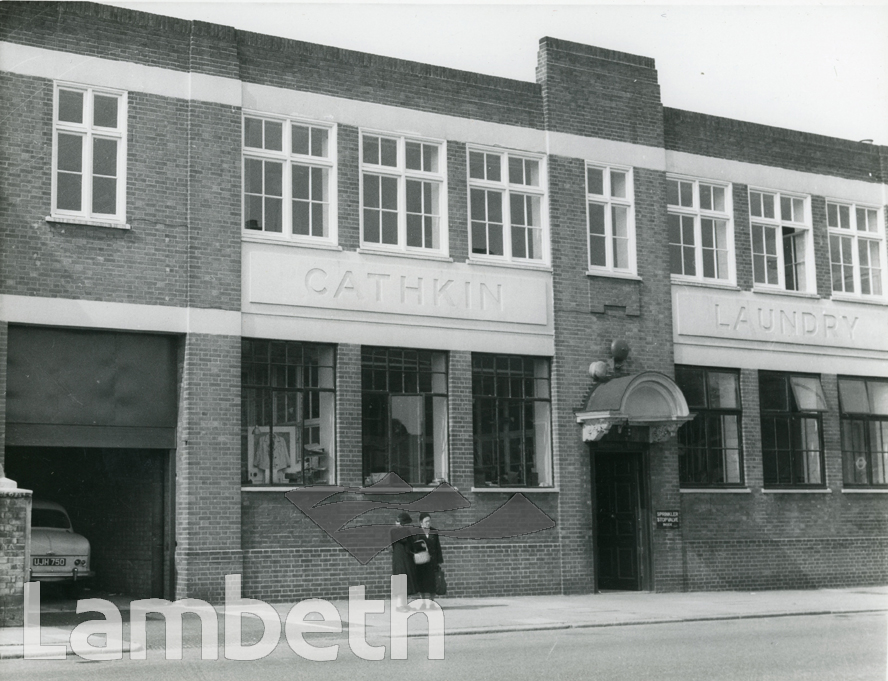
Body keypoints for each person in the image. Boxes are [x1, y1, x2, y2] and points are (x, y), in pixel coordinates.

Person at [413, 512, 444, 607]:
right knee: (421, 582)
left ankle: (431, 602)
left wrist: (439, 560)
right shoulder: (416, 532)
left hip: (432, 561)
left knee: (432, 582)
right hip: (421, 561)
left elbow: (438, 546)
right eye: (426, 521)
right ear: (421, 523)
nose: (428, 523)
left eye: (429, 521)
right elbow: (413, 547)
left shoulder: (434, 532)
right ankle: (423, 602)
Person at [390, 511, 418, 612]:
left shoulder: (393, 531)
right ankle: (399, 606)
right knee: (404, 581)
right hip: (405, 558)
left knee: (401, 581)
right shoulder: (405, 532)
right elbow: (411, 545)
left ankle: (403, 604)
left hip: (398, 559)